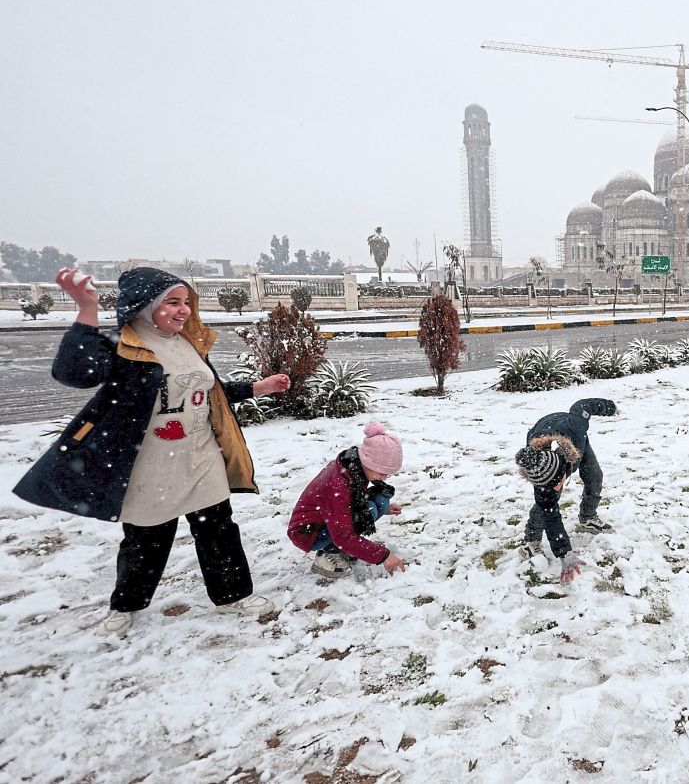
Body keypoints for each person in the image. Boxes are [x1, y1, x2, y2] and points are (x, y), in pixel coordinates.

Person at [13, 267, 291, 637]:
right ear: (144, 306)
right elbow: (75, 373)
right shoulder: (124, 343)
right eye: (172, 303)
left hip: (200, 457)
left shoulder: (189, 341)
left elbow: (208, 390)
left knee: (219, 530)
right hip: (150, 465)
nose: (184, 311)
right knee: (146, 539)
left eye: (187, 302)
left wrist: (259, 388)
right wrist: (86, 309)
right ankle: (126, 605)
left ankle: (232, 595)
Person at [514, 397, 618, 584]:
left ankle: (587, 517)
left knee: (595, 477)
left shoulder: (575, 427)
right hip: (545, 433)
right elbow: (550, 514)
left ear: (565, 470)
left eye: (558, 483)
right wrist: (565, 553)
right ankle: (531, 540)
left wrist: (610, 408)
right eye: (552, 486)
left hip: (573, 440)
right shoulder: (541, 472)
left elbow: (582, 406)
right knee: (545, 504)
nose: (556, 488)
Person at [287, 422, 407, 579]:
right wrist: (383, 556)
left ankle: (342, 547)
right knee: (363, 514)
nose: (386, 478)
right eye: (383, 472)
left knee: (379, 501)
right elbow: (343, 535)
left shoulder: (353, 467)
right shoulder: (337, 486)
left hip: (328, 519)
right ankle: (328, 553)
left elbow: (354, 498)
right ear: (369, 463)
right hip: (308, 532)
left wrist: (385, 509)